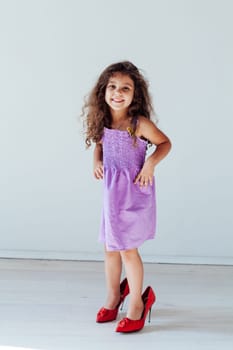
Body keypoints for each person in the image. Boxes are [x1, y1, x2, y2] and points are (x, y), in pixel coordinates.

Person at [82, 61, 171, 333]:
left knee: (128, 249)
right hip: (112, 196)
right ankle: (113, 295)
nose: (117, 93)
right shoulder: (103, 121)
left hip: (134, 194)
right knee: (110, 248)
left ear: (135, 95)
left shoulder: (138, 124)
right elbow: (99, 145)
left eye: (125, 88)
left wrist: (150, 164)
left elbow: (165, 143)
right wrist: (96, 161)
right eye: (112, 87)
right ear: (103, 91)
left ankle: (137, 303)